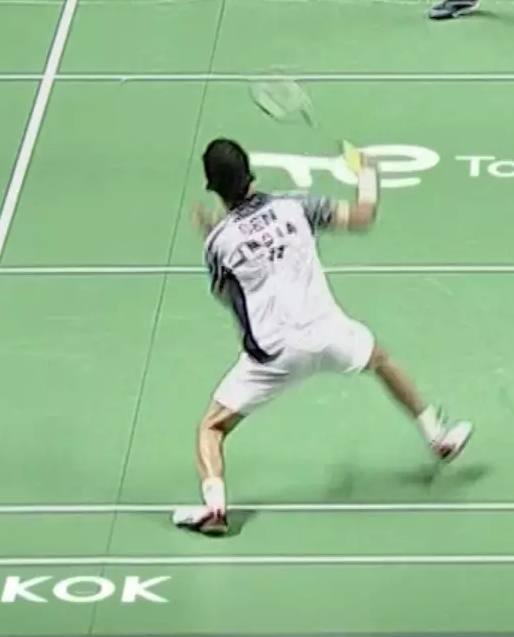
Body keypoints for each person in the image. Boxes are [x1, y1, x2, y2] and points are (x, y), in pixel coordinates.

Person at [174, 137, 472, 536]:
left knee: (211, 428)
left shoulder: (216, 244)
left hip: (272, 357)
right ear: (251, 175)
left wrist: (220, 232)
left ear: (213, 188)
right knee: (381, 361)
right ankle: (438, 437)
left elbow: (228, 296)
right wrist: (367, 174)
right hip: (329, 334)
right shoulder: (295, 206)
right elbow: (363, 216)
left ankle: (214, 507)